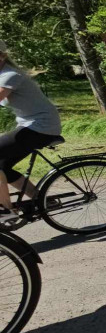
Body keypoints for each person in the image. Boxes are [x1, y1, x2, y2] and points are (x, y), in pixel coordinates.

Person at [0, 40, 63, 223]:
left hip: (42, 127)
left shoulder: (10, 75)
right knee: (3, 166)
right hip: (31, 125)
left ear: (2, 56)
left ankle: (6, 211)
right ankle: (40, 199)